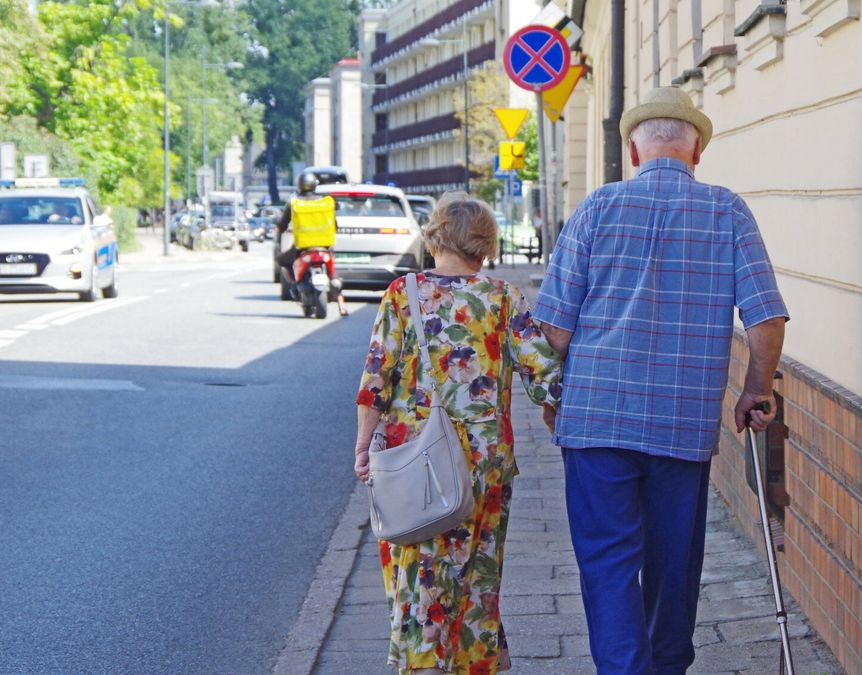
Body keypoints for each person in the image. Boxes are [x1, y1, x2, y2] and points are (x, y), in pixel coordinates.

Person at [532, 86, 790, 675]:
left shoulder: (597, 207)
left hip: (596, 420)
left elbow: (555, 330)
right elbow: (766, 320)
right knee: (674, 564)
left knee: (607, 564)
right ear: (697, 153)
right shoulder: (727, 211)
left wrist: (551, 397)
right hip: (682, 423)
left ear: (632, 151)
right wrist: (756, 390)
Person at [353, 192, 564, 675]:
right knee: (477, 570)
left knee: (420, 569)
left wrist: (364, 445)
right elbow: (544, 375)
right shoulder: (503, 297)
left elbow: (375, 379)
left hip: (415, 459)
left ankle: (424, 662)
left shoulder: (402, 294)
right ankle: (473, 661)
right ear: (485, 245)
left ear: (436, 236)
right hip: (486, 461)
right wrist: (556, 411)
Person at [275, 172, 349, 316]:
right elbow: (335, 225)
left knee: (282, 260)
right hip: (325, 246)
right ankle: (342, 306)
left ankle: (295, 284)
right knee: (333, 274)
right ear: (315, 185)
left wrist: (280, 230)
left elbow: (282, 225)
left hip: (303, 247)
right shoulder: (326, 202)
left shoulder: (294, 203)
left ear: (299, 186)